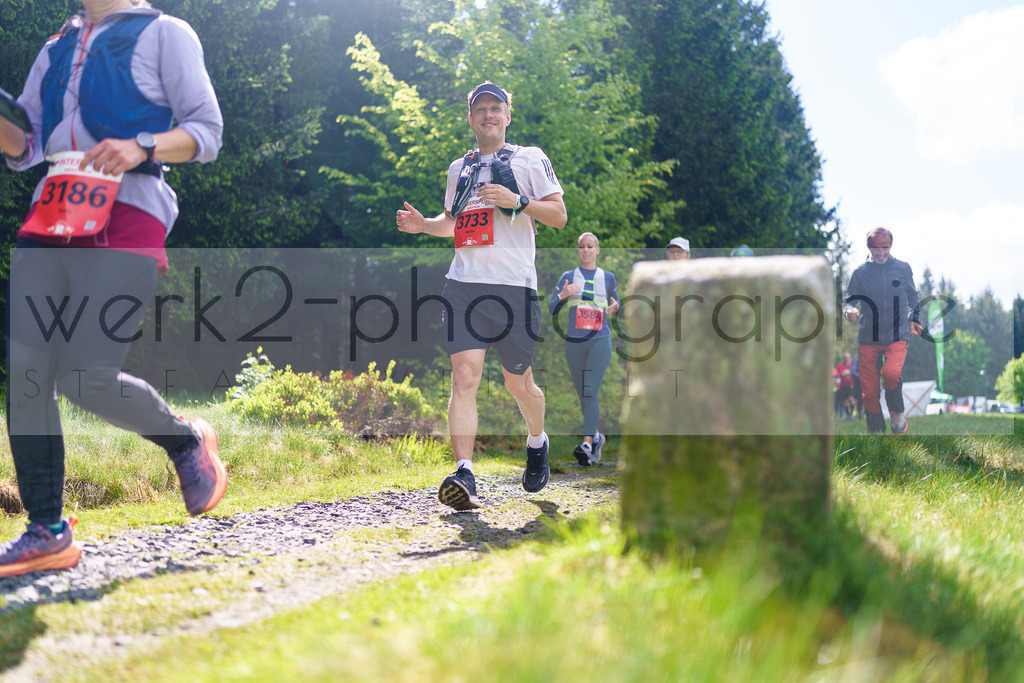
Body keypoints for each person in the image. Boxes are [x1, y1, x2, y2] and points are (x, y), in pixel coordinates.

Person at [0, 0, 226, 577]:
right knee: (26, 373)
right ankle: (46, 530)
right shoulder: (54, 48)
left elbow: (206, 131)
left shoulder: (165, 33)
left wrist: (141, 146)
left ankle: (184, 442)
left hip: (129, 214)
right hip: (50, 215)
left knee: (84, 376)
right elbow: (24, 148)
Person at [396, 81, 567, 510]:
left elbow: (560, 216)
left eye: (496, 108)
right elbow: (454, 223)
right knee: (464, 377)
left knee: (519, 383)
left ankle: (537, 441)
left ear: (507, 116)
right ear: (471, 118)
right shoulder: (460, 168)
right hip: (464, 285)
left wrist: (517, 200)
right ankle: (466, 474)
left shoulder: (530, 158)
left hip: (514, 288)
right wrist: (424, 226)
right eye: (480, 109)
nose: (488, 115)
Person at [549, 232, 620, 466]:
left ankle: (587, 444)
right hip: (575, 341)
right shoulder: (568, 276)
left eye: (590, 246)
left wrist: (615, 307)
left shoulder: (607, 277)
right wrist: (563, 294)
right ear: (578, 251)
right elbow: (551, 306)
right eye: (582, 246)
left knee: (590, 389)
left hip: (600, 339)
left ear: (597, 250)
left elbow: (616, 303)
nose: (586, 250)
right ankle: (598, 438)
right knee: (583, 394)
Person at [842, 227, 923, 434]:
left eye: (884, 247)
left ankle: (896, 412)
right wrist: (849, 310)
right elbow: (848, 302)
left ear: (890, 246)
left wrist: (914, 318)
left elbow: (913, 298)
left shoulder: (903, 268)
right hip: (869, 337)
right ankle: (877, 435)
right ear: (869, 248)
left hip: (897, 334)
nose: (880, 253)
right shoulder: (860, 273)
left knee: (890, 373)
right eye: (876, 248)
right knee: (869, 392)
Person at [835, 352, 856, 419]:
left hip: (851, 385)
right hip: (843, 386)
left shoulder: (852, 365)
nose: (846, 359)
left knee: (851, 399)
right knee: (845, 401)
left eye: (847, 358)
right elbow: (842, 374)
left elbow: (853, 373)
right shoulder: (840, 365)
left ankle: (852, 413)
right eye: (845, 358)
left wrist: (847, 372)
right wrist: (849, 372)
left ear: (849, 358)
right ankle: (848, 415)